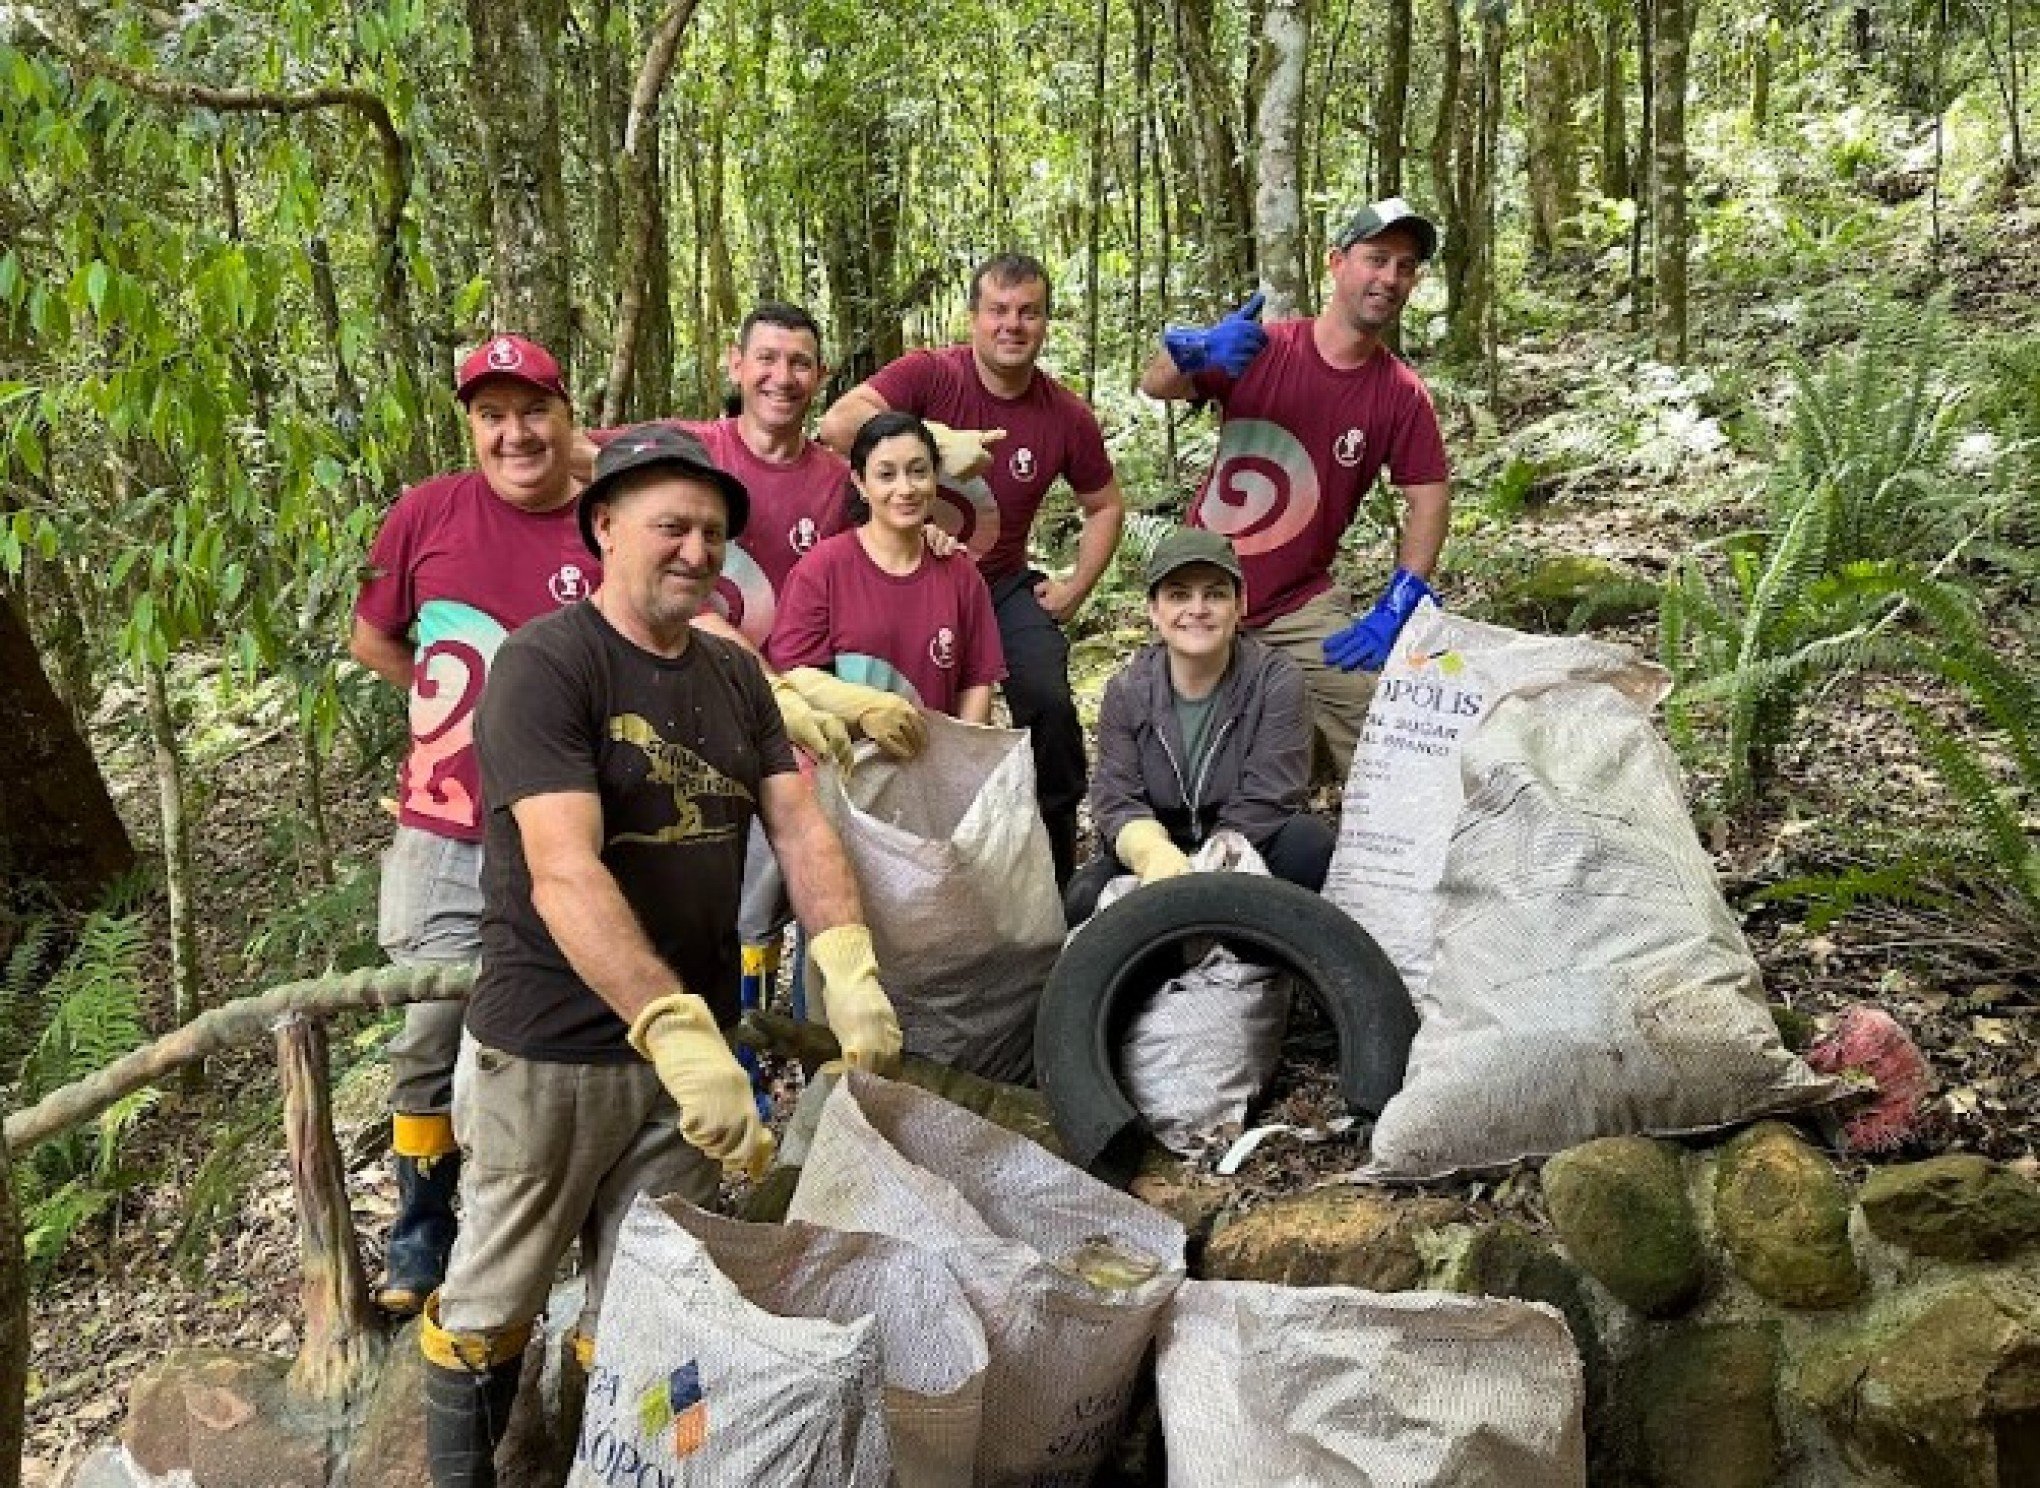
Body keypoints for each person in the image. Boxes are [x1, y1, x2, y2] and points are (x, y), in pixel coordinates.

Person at [419, 424, 902, 1488]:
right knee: (496, 1296)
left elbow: (801, 824)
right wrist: (675, 1030)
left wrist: (851, 962)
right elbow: (562, 872)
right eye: (671, 527)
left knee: (652, 1296)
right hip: (551, 1050)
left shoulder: (733, 672)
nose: (696, 550)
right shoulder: (548, 665)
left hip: (694, 1061)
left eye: (715, 534)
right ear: (603, 527)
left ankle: (624, 1466)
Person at [349, 333, 596, 1318]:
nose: (515, 432)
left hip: (572, 829)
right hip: (446, 821)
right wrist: (453, 707)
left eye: (533, 409)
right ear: (471, 427)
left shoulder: (606, 522)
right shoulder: (426, 513)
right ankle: (422, 1227)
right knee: (429, 1027)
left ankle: (567, 1221)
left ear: (566, 414)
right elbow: (374, 637)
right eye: (492, 415)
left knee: (571, 1027)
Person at [819, 252, 1127, 884]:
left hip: (998, 583)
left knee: (1046, 698)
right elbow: (837, 423)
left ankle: (1053, 865)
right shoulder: (932, 375)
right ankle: (873, 856)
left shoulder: (1063, 415)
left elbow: (1105, 504)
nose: (1011, 325)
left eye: (1028, 313)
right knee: (888, 708)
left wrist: (1073, 589)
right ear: (973, 318)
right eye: (998, 311)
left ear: (1045, 323)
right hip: (896, 572)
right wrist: (930, 438)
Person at [1137, 198, 1453, 781]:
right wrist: (1199, 351)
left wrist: (1400, 600)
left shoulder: (1400, 395)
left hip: (1300, 602)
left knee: (1380, 720)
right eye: (1375, 259)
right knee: (1172, 749)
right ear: (1336, 263)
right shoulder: (1263, 350)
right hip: (1207, 587)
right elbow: (1155, 384)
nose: (1388, 277)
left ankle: (1382, 860)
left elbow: (1428, 498)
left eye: (1404, 267)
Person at [1065, 528, 1333, 925]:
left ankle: (1261, 956)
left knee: (1308, 846)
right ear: (1154, 611)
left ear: (1240, 605)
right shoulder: (1126, 691)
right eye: (1178, 595)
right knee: (1083, 897)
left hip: (1245, 845)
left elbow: (1272, 793)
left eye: (1215, 594)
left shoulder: (1275, 680)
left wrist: (1205, 870)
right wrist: (1151, 852)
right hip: (1162, 848)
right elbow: (1116, 798)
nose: (1198, 608)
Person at [768, 411, 1006, 729]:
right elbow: (796, 679)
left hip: (937, 765)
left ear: (935, 478)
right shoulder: (822, 569)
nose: (905, 489)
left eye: (918, 472)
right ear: (860, 483)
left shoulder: (961, 575)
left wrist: (962, 764)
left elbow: (977, 682)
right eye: (886, 475)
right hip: (845, 764)